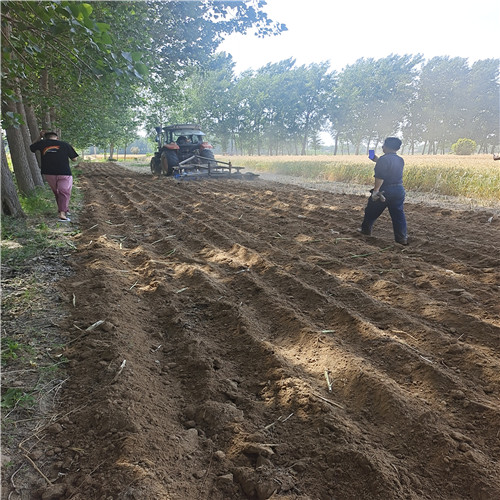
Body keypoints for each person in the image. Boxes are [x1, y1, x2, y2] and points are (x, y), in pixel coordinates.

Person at [359, 136, 408, 245]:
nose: (382, 147)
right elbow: (387, 165)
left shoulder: (383, 160)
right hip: (399, 190)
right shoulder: (400, 159)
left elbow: (380, 176)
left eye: (383, 145)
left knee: (370, 211)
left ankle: (365, 231)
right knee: (398, 215)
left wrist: (376, 191)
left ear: (386, 146)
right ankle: (402, 239)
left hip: (385, 191)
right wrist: (375, 158)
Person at [30, 131, 78, 221]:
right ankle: (62, 213)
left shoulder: (42, 143)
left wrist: (39, 137)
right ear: (57, 138)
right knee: (64, 192)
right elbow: (74, 159)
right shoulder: (64, 144)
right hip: (64, 172)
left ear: (46, 138)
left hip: (49, 173)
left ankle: (63, 210)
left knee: (57, 192)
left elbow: (32, 147)